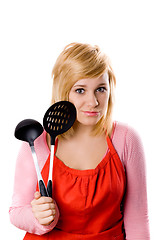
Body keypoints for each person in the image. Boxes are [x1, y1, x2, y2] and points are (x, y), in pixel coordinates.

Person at [9, 42, 150, 239]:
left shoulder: (126, 139)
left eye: (101, 89)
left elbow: (137, 219)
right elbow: (16, 211)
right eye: (80, 90)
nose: (93, 102)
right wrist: (38, 218)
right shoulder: (37, 142)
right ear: (63, 91)